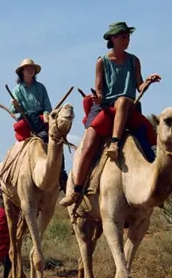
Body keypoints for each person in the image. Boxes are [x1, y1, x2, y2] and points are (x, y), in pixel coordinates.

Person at [59, 21, 161, 208]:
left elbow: (138, 86)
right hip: (105, 107)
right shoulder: (102, 62)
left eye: (128, 37)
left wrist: (146, 82)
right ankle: (76, 190)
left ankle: (155, 187)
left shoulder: (134, 60)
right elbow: (99, 89)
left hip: (128, 107)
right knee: (88, 145)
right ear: (113, 39)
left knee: (146, 142)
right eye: (123, 37)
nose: (127, 40)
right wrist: (97, 98)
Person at [9, 58, 68, 192]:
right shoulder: (17, 89)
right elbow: (13, 109)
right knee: (30, 113)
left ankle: (62, 172)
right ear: (22, 72)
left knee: (58, 140)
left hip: (42, 117)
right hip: (27, 118)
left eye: (32, 68)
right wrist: (16, 106)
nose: (30, 70)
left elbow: (47, 106)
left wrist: (47, 116)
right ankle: (42, 135)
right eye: (27, 68)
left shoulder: (41, 87)